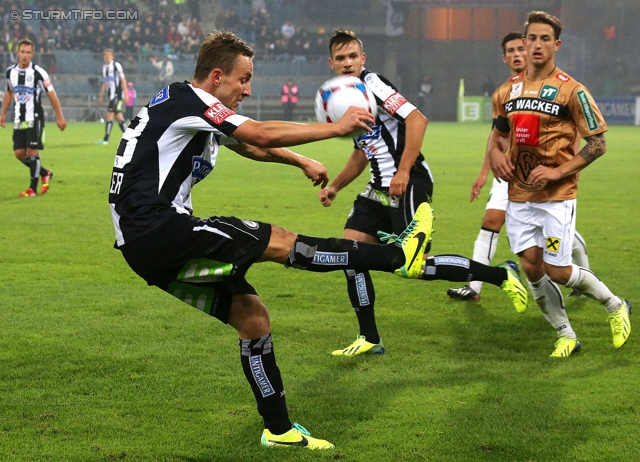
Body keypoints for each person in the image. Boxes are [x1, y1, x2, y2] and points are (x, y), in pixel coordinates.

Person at [109, 31, 524, 450]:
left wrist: (300, 160)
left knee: (252, 317)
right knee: (284, 242)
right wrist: (335, 129)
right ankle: (399, 255)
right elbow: (262, 134)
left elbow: (250, 145)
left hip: (141, 246)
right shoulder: (192, 102)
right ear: (217, 77)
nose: (248, 89)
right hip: (160, 228)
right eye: (243, 79)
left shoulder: (183, 105)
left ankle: (279, 430)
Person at [317, 29, 527, 357]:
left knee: (413, 266)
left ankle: (499, 275)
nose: (347, 63)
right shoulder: (346, 98)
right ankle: (370, 337)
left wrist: (402, 171)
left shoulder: (373, 83)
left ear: (363, 58)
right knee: (350, 255)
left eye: (352, 57)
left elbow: (418, 119)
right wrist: (335, 186)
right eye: (340, 58)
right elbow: (363, 151)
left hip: (410, 180)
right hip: (378, 188)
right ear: (331, 62)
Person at [489, 11, 631, 357]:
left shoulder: (572, 91)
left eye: (545, 39)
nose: (537, 45)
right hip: (519, 195)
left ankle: (615, 305)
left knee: (557, 269)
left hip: (556, 196)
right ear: (524, 43)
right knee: (531, 267)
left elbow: (598, 143)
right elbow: (497, 136)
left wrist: (556, 172)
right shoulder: (506, 91)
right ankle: (565, 334)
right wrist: (495, 156)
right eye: (532, 38)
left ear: (556, 45)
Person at [448, 32, 591, 301]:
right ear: (505, 58)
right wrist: (483, 174)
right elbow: (496, 139)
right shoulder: (506, 93)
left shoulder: (553, 87)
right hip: (511, 173)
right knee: (491, 220)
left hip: (544, 174)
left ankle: (581, 267)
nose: (516, 54)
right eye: (510, 51)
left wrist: (571, 168)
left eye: (519, 49)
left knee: (555, 235)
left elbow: (574, 130)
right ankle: (474, 286)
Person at [0, 38, 66, 196]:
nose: (25, 55)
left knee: (32, 151)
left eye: (28, 52)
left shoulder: (38, 72)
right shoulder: (11, 72)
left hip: (34, 117)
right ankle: (45, 173)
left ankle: (32, 189)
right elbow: (9, 92)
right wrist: (3, 113)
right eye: (22, 52)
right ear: (17, 52)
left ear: (32, 54)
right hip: (18, 118)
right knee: (19, 153)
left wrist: (60, 117)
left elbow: (52, 95)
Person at [97, 48, 128, 145]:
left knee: (109, 115)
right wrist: (101, 96)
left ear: (112, 56)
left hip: (117, 95)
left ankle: (106, 139)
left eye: (109, 55)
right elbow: (105, 83)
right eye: (105, 55)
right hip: (111, 96)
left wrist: (126, 94)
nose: (107, 56)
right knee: (119, 116)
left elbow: (123, 80)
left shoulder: (116, 65)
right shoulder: (104, 68)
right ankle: (130, 137)